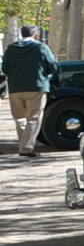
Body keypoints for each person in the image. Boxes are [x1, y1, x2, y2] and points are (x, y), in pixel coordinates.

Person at [4, 24, 60, 159]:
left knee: (20, 119)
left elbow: (5, 68)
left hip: (15, 89)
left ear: (21, 34)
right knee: (33, 118)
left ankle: (23, 146)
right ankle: (26, 148)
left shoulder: (11, 49)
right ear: (36, 35)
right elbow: (53, 66)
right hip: (37, 87)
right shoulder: (41, 47)